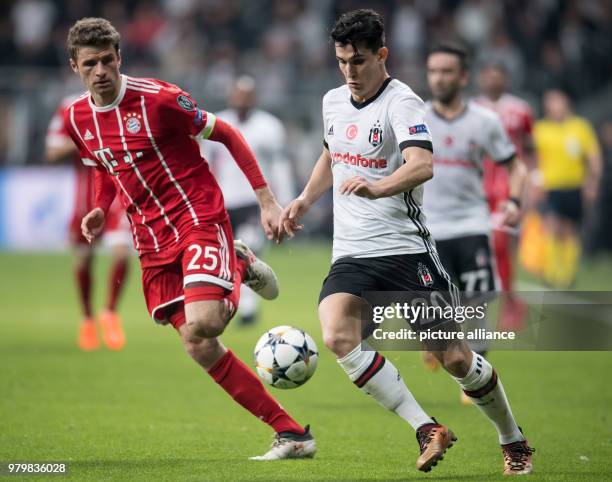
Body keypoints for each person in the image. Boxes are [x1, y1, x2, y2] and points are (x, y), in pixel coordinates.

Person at [279, 9, 534, 475]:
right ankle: (425, 427)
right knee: (337, 335)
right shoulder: (333, 101)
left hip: (407, 251)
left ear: (382, 54)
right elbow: (330, 153)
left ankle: (512, 438)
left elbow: (422, 165)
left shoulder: (404, 102)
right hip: (352, 253)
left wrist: (377, 186)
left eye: (358, 61)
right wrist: (303, 200)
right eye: (341, 62)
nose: (349, 72)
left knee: (455, 357)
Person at [64, 17, 314, 460]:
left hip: (197, 217)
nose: (100, 70)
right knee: (198, 345)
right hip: (149, 239)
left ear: (119, 58)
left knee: (206, 322)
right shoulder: (78, 117)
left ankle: (237, 264)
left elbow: (229, 134)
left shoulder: (161, 100)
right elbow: (103, 166)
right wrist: (102, 208)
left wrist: (266, 200)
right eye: (90, 63)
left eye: (107, 60)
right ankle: (292, 433)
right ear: (75, 66)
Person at [421, 46, 527, 402]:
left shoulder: (484, 122)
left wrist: (513, 202)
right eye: (433, 71)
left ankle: (475, 374)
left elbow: (516, 167)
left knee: (475, 306)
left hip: (471, 225)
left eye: (447, 71)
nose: (439, 78)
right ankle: (435, 343)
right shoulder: (415, 119)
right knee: (431, 305)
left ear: (463, 77)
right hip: (428, 229)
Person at [201, 75, 294, 325]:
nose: (241, 99)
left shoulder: (270, 126)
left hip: (255, 201)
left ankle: (247, 308)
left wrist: (283, 201)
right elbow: (206, 162)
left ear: (254, 97)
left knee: (248, 248)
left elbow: (281, 166)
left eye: (246, 95)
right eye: (237, 94)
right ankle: (243, 304)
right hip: (223, 200)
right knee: (228, 255)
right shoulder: (216, 123)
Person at [46, 96, 130, 351]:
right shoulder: (70, 108)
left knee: (122, 253)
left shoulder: (125, 101)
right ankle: (87, 319)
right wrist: (84, 139)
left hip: (119, 193)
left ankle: (110, 313)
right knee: (84, 259)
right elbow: (51, 152)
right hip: (85, 197)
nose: (99, 71)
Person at [476, 62, 534, 331]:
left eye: (497, 77)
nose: (492, 82)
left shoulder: (520, 110)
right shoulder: (473, 108)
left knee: (500, 244)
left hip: (506, 187)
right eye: (488, 77)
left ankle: (511, 303)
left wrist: (533, 181)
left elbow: (530, 149)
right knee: (477, 248)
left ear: (505, 80)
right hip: (476, 187)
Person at [533, 89, 603, 288]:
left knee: (570, 230)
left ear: (566, 102)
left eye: (556, 101)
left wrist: (593, 182)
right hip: (550, 187)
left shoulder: (580, 127)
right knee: (552, 226)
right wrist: (535, 182)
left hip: (574, 186)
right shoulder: (541, 129)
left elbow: (593, 156)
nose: (553, 106)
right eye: (549, 102)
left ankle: (567, 274)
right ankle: (551, 273)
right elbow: (535, 159)